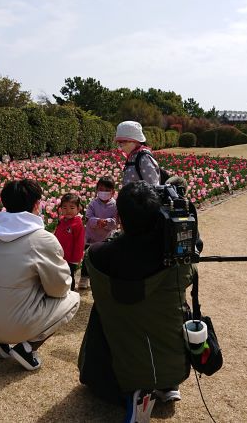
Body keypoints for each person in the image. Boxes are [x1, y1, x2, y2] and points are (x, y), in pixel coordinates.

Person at [78, 181, 195, 422]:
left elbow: (113, 255)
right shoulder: (176, 262)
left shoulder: (97, 256)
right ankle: (165, 385)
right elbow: (193, 256)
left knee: (101, 309)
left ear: (119, 218)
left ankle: (139, 391)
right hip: (173, 367)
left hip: (117, 376)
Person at [0, 179, 80, 371]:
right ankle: (27, 348)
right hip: (19, 325)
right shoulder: (42, 239)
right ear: (37, 204)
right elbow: (59, 288)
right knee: (73, 298)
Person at [79, 176, 118, 290]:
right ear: (97, 190)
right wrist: (97, 221)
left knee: (104, 258)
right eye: (101, 189)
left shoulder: (115, 205)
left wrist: (107, 222)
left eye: (107, 190)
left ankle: (101, 277)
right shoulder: (93, 203)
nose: (104, 192)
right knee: (88, 257)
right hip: (91, 236)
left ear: (113, 192)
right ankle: (84, 277)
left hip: (106, 237)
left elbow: (115, 222)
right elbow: (88, 218)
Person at [54, 193, 85, 291]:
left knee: (69, 276)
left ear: (78, 209)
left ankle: (70, 292)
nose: (68, 211)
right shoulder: (62, 220)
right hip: (60, 255)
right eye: (65, 208)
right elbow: (57, 235)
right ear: (60, 209)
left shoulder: (77, 224)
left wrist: (76, 258)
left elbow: (79, 243)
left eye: (72, 208)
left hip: (70, 258)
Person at [115, 121, 161, 186]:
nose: (121, 145)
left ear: (136, 141)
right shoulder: (133, 156)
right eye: (119, 142)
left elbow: (153, 185)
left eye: (124, 141)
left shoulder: (144, 157)